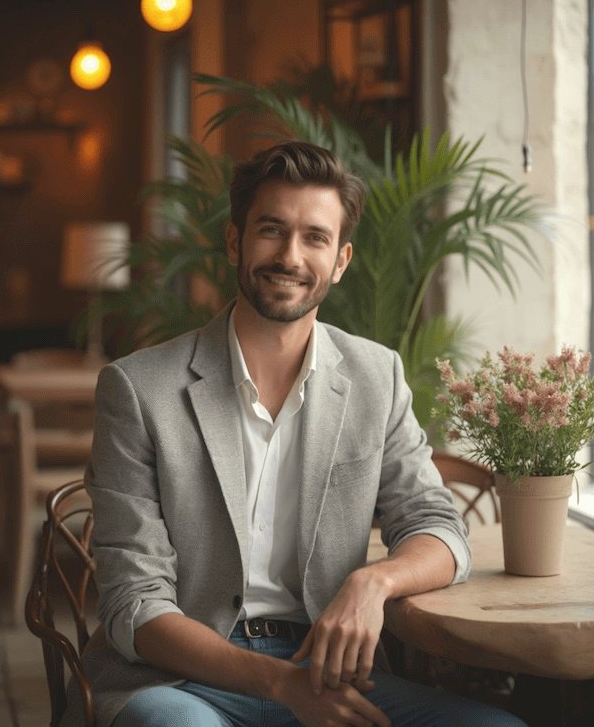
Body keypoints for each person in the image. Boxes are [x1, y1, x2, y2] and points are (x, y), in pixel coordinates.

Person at [72, 141, 527, 727]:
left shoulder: (376, 377)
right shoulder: (139, 389)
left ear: (340, 260)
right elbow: (134, 604)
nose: (290, 255)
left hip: (333, 670)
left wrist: (373, 582)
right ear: (235, 241)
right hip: (185, 678)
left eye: (315, 237)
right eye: (271, 230)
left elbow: (439, 528)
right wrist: (284, 685)